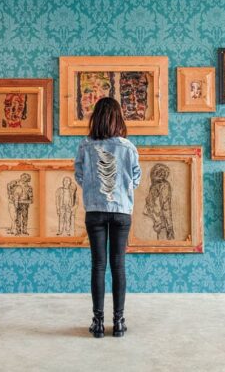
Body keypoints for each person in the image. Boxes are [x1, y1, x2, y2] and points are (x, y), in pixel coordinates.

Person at [74, 97, 141, 339]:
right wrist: (122, 191)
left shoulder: (85, 146)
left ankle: (98, 322)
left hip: (95, 210)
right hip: (122, 211)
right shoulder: (128, 147)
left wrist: (95, 189)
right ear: (118, 118)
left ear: (96, 118)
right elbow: (136, 178)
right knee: (118, 264)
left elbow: (80, 176)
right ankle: (119, 321)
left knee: (98, 265)